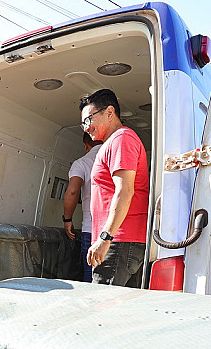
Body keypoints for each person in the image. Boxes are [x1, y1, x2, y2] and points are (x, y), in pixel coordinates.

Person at [80, 88, 150, 287]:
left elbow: (125, 190)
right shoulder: (111, 143)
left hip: (119, 241)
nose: (86, 128)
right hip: (118, 241)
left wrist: (105, 237)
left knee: (103, 309)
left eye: (88, 120)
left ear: (109, 112)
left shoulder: (122, 139)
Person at [63, 132, 103, 282]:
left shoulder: (81, 163)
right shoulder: (114, 159)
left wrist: (67, 219)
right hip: (117, 231)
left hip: (91, 229)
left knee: (91, 279)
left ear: (86, 146)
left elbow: (73, 191)